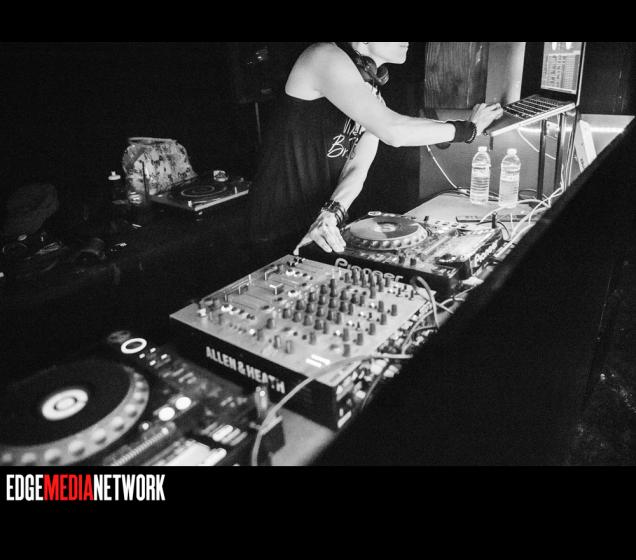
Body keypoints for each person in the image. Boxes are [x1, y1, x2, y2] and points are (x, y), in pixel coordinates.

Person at [246, 42, 503, 262]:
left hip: (322, 226)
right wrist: (468, 130)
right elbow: (394, 131)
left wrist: (332, 212)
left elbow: (358, 166)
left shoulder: (369, 88)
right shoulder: (323, 56)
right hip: (278, 224)